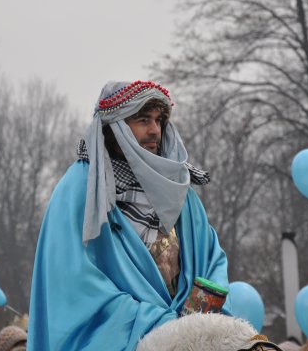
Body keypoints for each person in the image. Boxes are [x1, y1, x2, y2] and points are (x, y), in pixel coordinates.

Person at [27, 80, 229, 350]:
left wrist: (195, 320)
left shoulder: (179, 189)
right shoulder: (81, 188)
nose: (154, 130)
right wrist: (158, 325)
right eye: (143, 120)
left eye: (159, 120)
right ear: (115, 127)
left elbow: (211, 260)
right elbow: (73, 282)